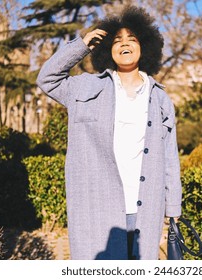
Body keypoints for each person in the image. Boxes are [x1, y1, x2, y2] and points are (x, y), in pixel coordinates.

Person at [36, 6, 182, 260]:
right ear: (107, 49)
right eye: (117, 40)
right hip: (96, 207)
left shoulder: (160, 98)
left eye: (132, 39)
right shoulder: (84, 87)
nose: (124, 44)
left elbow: (170, 156)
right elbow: (47, 79)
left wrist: (173, 206)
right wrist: (81, 46)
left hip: (146, 208)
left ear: (144, 47)